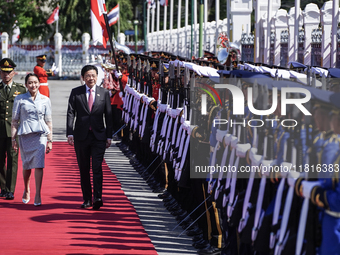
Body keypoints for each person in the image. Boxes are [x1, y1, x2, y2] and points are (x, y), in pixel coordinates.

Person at [66, 65, 113, 210]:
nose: (90, 78)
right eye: (87, 75)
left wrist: (109, 135)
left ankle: (97, 197)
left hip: (99, 136)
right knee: (84, 169)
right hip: (81, 136)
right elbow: (71, 113)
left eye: (93, 75)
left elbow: (109, 116)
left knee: (97, 167)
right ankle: (87, 199)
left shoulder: (104, 93)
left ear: (97, 76)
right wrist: (70, 132)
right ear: (83, 77)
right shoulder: (76, 92)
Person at [11, 73, 52, 206]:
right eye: (30, 83)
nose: (33, 85)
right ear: (26, 85)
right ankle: (26, 188)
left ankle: (38, 193)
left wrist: (50, 140)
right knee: (27, 164)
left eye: (35, 82)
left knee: (39, 164)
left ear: (39, 83)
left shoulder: (45, 99)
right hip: (25, 135)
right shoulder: (20, 99)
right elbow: (15, 120)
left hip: (40, 134)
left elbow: (49, 121)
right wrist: (13, 138)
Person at [0, 58, 26, 200]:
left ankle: (10, 190)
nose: (6, 75)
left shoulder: (20, 90)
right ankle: (3, 187)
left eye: (9, 72)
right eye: (3, 72)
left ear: (14, 73)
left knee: (12, 160)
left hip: (14, 131)